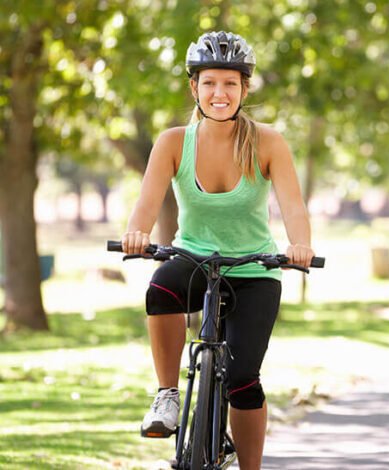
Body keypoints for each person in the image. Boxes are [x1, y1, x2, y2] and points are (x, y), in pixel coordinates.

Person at [120, 31, 315, 469]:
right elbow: (146, 206)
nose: (219, 93)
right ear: (195, 88)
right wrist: (136, 233)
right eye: (209, 83)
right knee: (160, 291)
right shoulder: (173, 142)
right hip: (192, 259)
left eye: (230, 83)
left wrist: (299, 245)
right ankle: (167, 394)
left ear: (245, 89)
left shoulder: (268, 142)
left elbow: (294, 208)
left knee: (243, 381)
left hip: (254, 269)